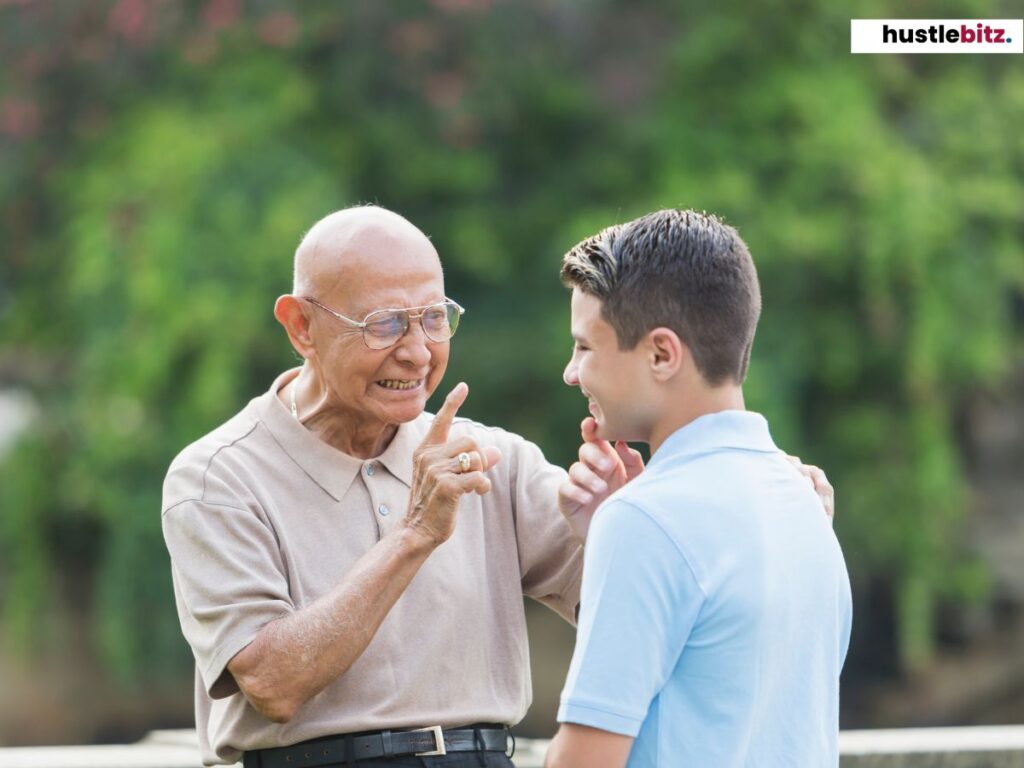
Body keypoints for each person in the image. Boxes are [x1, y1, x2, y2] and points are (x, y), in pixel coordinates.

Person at [161, 205, 836, 767]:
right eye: (386, 324)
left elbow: (647, 610)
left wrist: (623, 521)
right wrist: (413, 537)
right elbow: (272, 684)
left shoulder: (495, 458)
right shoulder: (217, 478)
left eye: (434, 317)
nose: (418, 350)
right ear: (301, 326)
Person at [545, 210, 852, 768]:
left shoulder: (644, 520)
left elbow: (582, 763)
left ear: (662, 354)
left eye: (585, 347)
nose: (571, 372)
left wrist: (626, 530)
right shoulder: (808, 504)